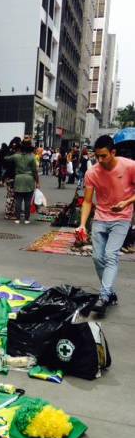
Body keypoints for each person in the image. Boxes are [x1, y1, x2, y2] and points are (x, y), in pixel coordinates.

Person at [77, 135, 135, 316]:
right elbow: (87, 201)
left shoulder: (129, 166)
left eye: (103, 156)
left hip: (122, 217)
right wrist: (82, 225)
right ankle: (109, 292)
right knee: (97, 257)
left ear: (113, 152)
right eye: (97, 156)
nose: (100, 160)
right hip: (101, 218)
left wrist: (126, 203)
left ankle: (103, 296)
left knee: (110, 255)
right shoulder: (92, 173)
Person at [5, 139, 39, 224]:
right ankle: (27, 219)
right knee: (28, 200)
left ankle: (17, 218)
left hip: (18, 178)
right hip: (29, 179)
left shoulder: (16, 156)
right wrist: (37, 182)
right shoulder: (32, 157)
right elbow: (35, 171)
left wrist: (11, 150)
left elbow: (6, 158)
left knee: (18, 200)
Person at [3, 137, 21, 219]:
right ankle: (8, 213)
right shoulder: (14, 155)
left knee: (12, 195)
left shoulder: (9, 153)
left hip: (9, 176)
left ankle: (12, 212)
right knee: (11, 196)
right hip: (12, 177)